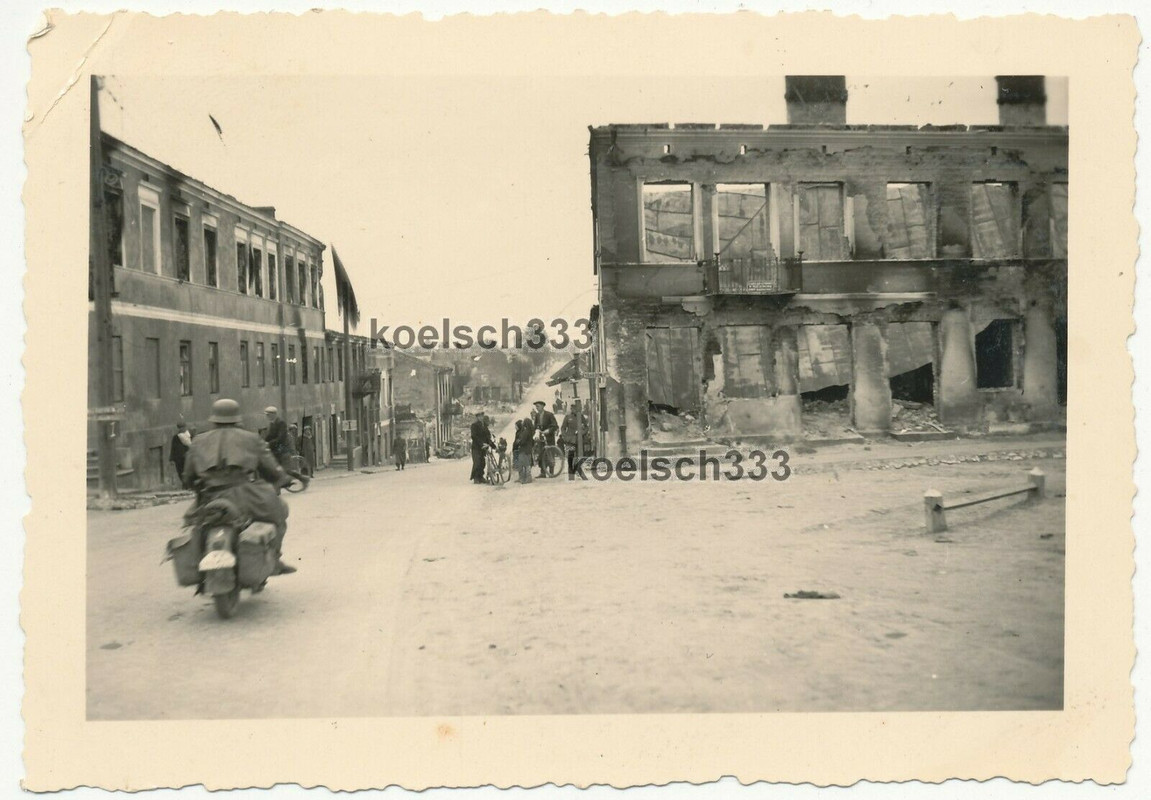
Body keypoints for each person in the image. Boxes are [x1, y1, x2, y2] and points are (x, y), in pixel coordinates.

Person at [182, 398, 297, 576]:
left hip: (209, 497)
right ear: (237, 419)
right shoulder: (251, 438)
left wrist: (196, 484)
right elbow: (271, 468)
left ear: (214, 419)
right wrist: (282, 478)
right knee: (279, 512)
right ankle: (274, 559)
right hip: (244, 495)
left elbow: (188, 476)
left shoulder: (198, 441)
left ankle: (196, 564)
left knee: (191, 523)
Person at [531, 400, 559, 477]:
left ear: (543, 406)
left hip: (549, 438)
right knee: (541, 454)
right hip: (541, 439)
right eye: (536, 407)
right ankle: (543, 473)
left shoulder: (549, 415)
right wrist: (536, 431)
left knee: (550, 454)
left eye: (538, 406)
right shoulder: (537, 415)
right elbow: (535, 426)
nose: (537, 408)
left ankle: (551, 472)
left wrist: (548, 430)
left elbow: (555, 426)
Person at [469, 411, 494, 484]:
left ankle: (481, 477)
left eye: (482, 416)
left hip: (484, 447)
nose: (481, 417)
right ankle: (476, 478)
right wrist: (481, 444)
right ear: (477, 417)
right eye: (479, 416)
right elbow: (474, 436)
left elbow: (488, 436)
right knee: (477, 462)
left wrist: (492, 445)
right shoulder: (474, 425)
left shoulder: (484, 426)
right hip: (476, 447)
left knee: (483, 462)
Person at [514, 416, 536, 484]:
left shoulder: (525, 432)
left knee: (522, 464)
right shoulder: (530, 431)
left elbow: (522, 441)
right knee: (527, 464)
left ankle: (525, 478)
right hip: (528, 449)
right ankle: (526, 478)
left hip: (523, 450)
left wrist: (518, 441)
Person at [169, 422, 192, 487]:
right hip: (178, 458)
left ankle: (187, 485)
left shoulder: (189, 436)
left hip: (187, 458)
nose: (182, 429)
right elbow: (173, 448)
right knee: (180, 472)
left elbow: (192, 446)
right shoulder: (176, 437)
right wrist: (171, 459)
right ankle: (185, 484)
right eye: (180, 428)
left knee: (187, 471)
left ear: (185, 427)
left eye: (183, 427)